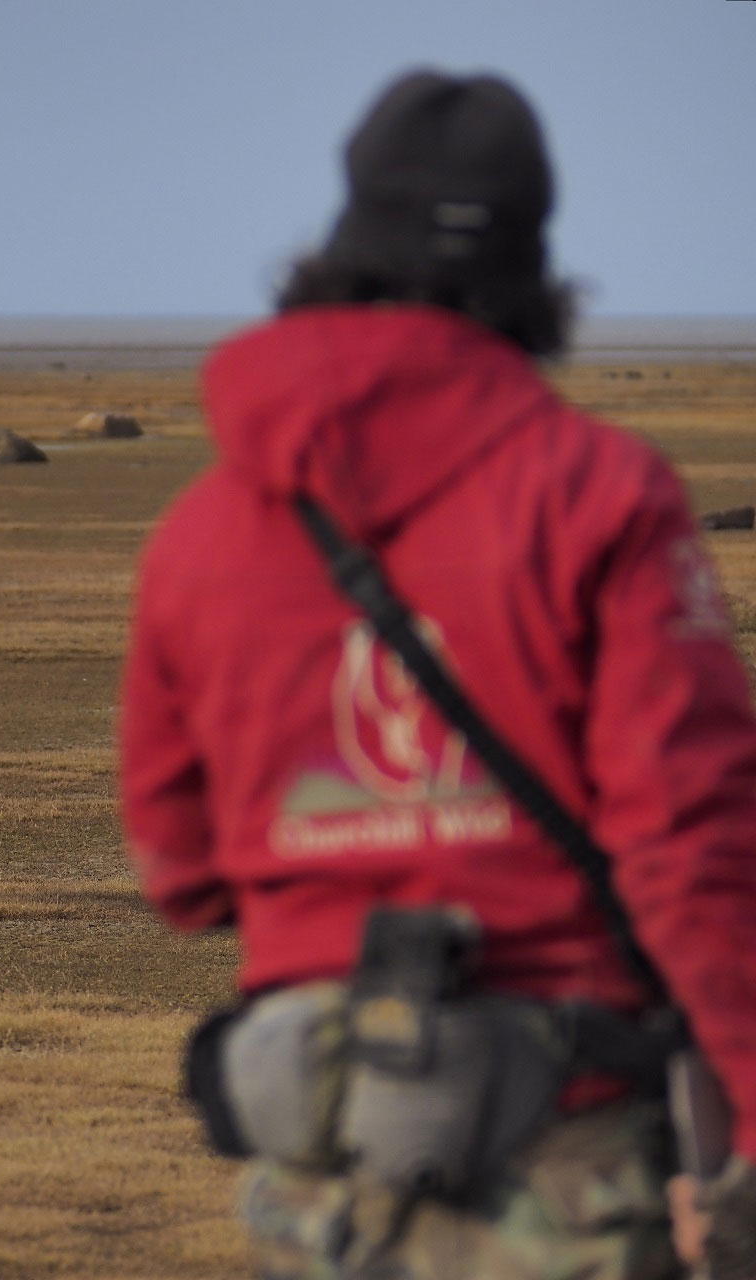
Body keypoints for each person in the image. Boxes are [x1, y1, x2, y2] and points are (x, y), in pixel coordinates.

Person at [118, 69, 756, 1277]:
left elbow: (181, 871)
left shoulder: (203, 531)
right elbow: (693, 846)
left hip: (321, 1186)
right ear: (532, 263)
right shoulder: (601, 495)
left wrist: (336, 853)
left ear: (340, 245)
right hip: (568, 1166)